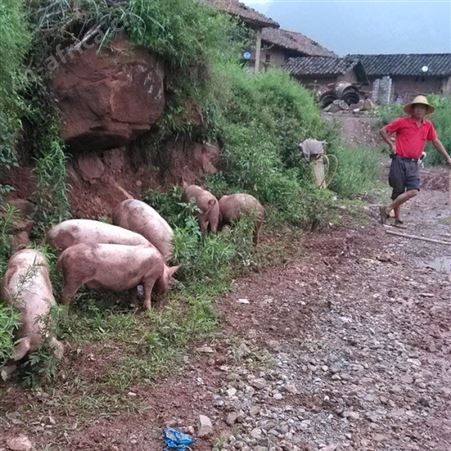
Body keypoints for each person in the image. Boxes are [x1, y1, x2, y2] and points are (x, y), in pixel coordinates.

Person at [379, 95, 451, 226]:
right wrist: (391, 144)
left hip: (413, 163)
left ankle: (387, 208)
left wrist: (447, 157)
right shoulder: (402, 122)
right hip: (399, 160)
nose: (419, 110)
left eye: (422, 108)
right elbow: (383, 131)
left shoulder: (427, 125)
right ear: (412, 110)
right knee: (398, 190)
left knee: (414, 191)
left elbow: (435, 141)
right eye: (417, 107)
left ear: (425, 111)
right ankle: (397, 219)